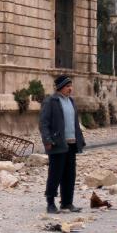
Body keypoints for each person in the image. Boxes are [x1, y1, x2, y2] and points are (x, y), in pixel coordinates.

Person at [39, 74, 86, 214]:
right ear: (60, 87)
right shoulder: (50, 101)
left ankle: (67, 203)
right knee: (55, 174)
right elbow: (43, 123)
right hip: (57, 144)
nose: (70, 89)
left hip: (71, 144)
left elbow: (75, 123)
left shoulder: (71, 101)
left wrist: (80, 139)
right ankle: (50, 203)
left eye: (71, 86)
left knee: (70, 175)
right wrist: (47, 140)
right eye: (67, 86)